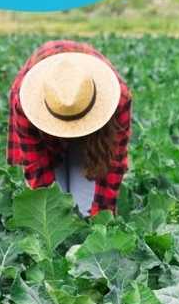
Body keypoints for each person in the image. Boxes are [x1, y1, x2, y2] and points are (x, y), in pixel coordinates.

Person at [7, 40, 132, 217]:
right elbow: (36, 165)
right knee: (55, 205)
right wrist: (50, 216)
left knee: (85, 208)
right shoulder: (26, 102)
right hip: (47, 136)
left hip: (95, 136)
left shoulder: (118, 99)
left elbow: (113, 164)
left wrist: (101, 217)